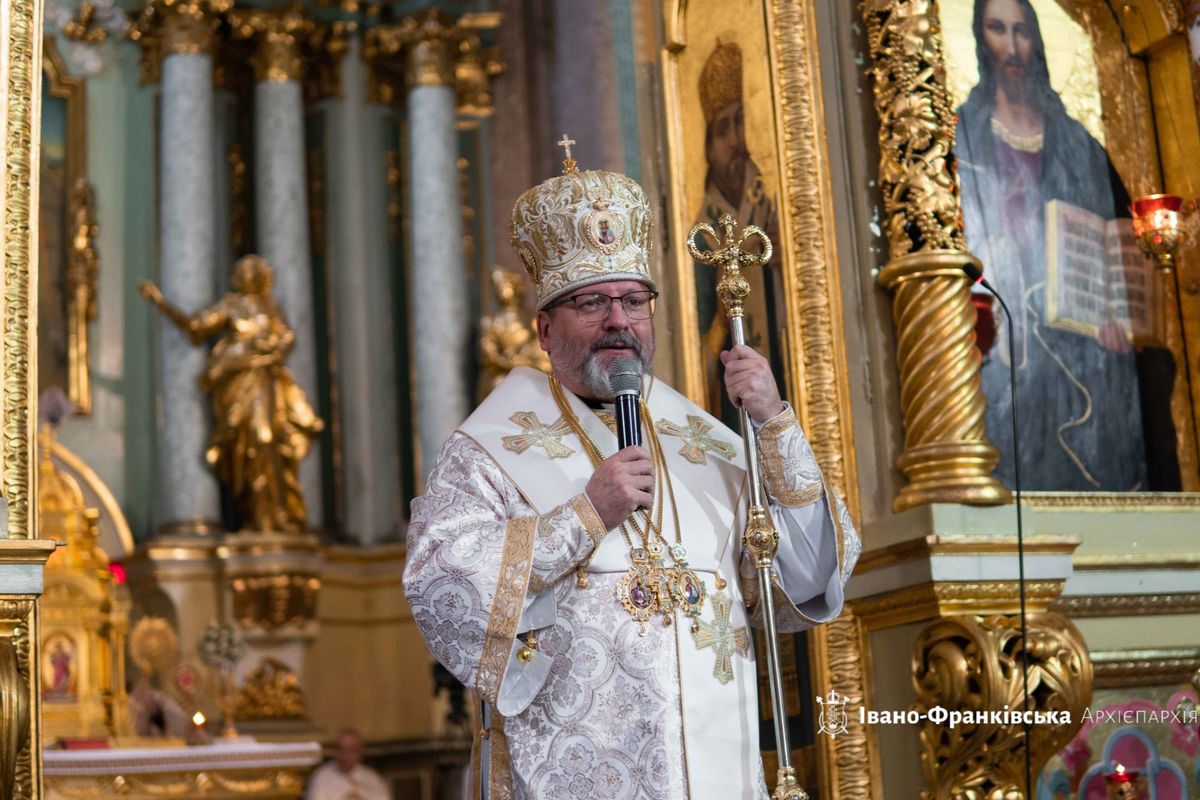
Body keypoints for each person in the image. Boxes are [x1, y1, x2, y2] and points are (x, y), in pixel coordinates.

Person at [404, 153, 859, 798]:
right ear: (543, 327)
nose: (618, 320)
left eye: (632, 300)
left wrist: (775, 422)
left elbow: (813, 573)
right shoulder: (488, 450)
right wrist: (585, 514)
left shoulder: (702, 440)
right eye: (590, 302)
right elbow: (440, 582)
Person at [955, 0, 1177, 491]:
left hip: (1086, 348)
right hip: (1004, 344)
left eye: (1022, 32)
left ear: (1036, 40)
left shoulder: (1081, 146)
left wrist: (1124, 319)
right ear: (979, 38)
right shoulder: (960, 139)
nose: (1012, 48)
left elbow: (1121, 248)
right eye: (998, 30)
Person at [139, 255, 324, 531]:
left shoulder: (269, 307)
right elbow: (196, 327)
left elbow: (287, 338)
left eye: (250, 271)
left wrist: (268, 349)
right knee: (244, 447)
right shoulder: (231, 305)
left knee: (267, 439)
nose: (243, 276)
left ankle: (275, 518)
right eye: (241, 272)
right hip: (234, 385)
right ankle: (253, 516)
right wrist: (160, 302)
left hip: (263, 381)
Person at [692, 40, 787, 423]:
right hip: (729, 392)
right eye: (722, 128)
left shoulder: (772, 204)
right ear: (707, 147)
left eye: (740, 122)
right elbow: (699, 331)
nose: (734, 140)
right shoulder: (702, 227)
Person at [306, 728, 392, 800]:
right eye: (340, 749)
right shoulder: (321, 778)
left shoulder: (372, 779)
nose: (344, 755)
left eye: (351, 750)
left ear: (360, 753)